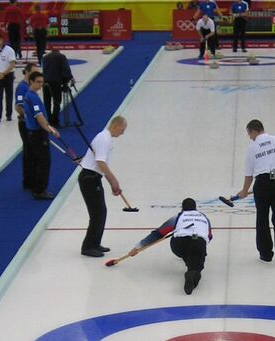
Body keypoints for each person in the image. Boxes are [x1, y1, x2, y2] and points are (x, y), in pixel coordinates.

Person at [236, 119, 275, 264]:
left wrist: (245, 190)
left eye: (249, 134)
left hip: (262, 184)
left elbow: (249, 174)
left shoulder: (252, 148)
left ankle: (265, 253)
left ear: (253, 130)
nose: (250, 137)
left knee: (262, 219)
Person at [128, 198, 213, 295]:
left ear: (182, 208)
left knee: (188, 251)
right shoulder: (204, 218)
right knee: (196, 264)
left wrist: (138, 247)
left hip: (178, 244)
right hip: (198, 241)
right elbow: (209, 236)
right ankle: (192, 274)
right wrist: (200, 251)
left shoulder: (178, 217)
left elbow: (157, 234)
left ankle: (189, 261)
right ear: (195, 208)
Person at [77, 116, 127, 257]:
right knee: (97, 213)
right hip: (89, 178)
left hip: (94, 177)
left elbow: (101, 164)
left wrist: (111, 182)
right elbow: (100, 162)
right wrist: (113, 180)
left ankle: (95, 243)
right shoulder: (103, 138)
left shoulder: (106, 138)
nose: (122, 133)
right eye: (122, 130)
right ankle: (87, 246)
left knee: (101, 212)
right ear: (116, 125)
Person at [23, 71, 59, 200]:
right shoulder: (33, 97)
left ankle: (33, 185)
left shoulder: (29, 95)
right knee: (44, 162)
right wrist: (50, 129)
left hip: (32, 133)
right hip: (38, 134)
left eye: (42, 83)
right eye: (38, 82)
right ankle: (39, 190)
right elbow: (39, 116)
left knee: (34, 160)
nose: (40, 85)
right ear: (31, 81)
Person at [15, 62, 39, 190]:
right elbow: (18, 106)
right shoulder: (22, 88)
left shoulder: (30, 87)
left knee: (33, 152)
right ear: (28, 72)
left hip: (31, 124)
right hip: (25, 124)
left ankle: (32, 178)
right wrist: (29, 117)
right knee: (28, 152)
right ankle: (28, 180)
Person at [41, 48, 73, 127]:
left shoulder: (45, 57)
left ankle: (48, 120)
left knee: (47, 102)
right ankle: (55, 121)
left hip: (45, 82)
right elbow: (66, 70)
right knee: (57, 102)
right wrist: (68, 79)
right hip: (55, 82)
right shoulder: (61, 57)